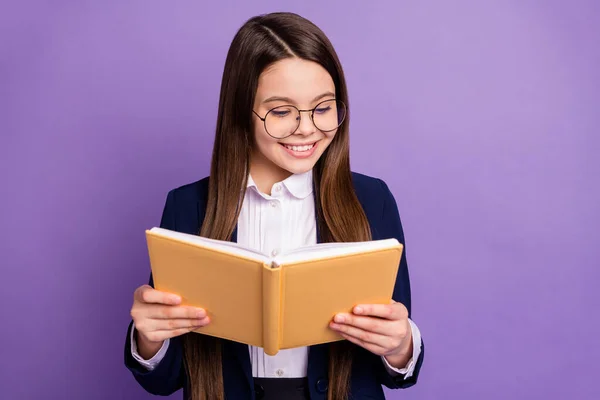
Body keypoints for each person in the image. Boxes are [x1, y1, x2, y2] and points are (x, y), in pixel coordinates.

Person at [124, 11, 424, 400]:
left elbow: (398, 370)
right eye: (281, 112)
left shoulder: (372, 199)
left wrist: (400, 344)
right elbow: (164, 380)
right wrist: (149, 338)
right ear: (241, 112)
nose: (306, 128)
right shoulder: (187, 206)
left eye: (323, 108)